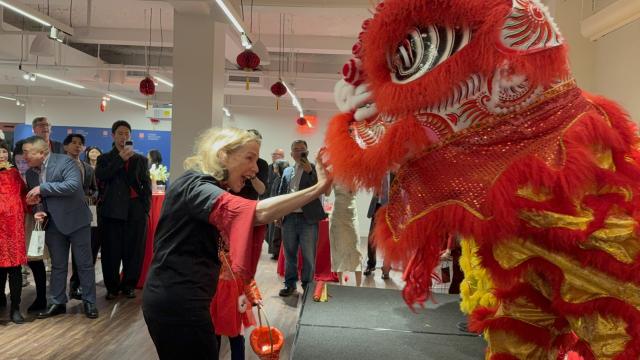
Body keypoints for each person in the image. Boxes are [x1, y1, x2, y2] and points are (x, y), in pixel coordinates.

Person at [142, 127, 331, 360]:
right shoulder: (196, 186)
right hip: (178, 303)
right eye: (249, 158)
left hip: (184, 298)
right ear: (223, 155)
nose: (254, 168)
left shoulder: (203, 185)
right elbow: (255, 213)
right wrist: (317, 188)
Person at [23, 136, 98, 319]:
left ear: (41, 152)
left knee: (84, 265)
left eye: (27, 152)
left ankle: (89, 301)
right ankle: (57, 302)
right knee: (58, 265)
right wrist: (38, 209)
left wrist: (43, 188)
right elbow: (38, 199)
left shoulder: (65, 162)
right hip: (53, 225)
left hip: (77, 221)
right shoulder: (31, 173)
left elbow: (73, 186)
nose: (24, 156)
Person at [96, 120, 151, 300]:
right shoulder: (104, 158)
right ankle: (112, 287)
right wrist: (120, 159)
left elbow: (146, 185)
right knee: (111, 251)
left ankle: (129, 285)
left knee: (134, 251)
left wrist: (145, 207)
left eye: (127, 133)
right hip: (112, 211)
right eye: (120, 133)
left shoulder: (141, 159)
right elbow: (102, 176)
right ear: (113, 136)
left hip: (135, 211)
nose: (123, 137)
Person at [277, 140, 327, 297]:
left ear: (307, 151)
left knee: (308, 254)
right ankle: (290, 285)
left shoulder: (314, 169)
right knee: (289, 254)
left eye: (302, 150)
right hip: (289, 217)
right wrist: (278, 213)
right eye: (296, 150)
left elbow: (321, 188)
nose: (299, 152)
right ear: (291, 154)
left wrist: (310, 172)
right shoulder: (286, 172)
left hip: (308, 219)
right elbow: (281, 194)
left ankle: (307, 285)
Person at [11, 140, 48, 313]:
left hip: (29, 219)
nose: (24, 160)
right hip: (9, 221)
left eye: (26, 155)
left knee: (35, 259)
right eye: (19, 158)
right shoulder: (8, 172)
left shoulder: (35, 172)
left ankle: (41, 297)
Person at [63, 134, 99, 301]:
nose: (77, 146)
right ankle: (57, 293)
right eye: (73, 143)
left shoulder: (88, 168)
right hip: (62, 214)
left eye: (80, 144)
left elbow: (95, 188)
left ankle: (76, 286)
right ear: (65, 147)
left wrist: (92, 196)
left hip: (84, 213)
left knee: (83, 254)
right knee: (61, 258)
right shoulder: (57, 165)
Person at [0, 140, 28, 323]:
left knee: (15, 270)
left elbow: (25, 198)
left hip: (13, 228)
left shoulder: (15, 174)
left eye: (3, 151)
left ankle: (15, 307)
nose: (1, 155)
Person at [327, 183, 362, 286]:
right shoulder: (333, 174)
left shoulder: (355, 174)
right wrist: (327, 178)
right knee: (338, 248)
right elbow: (327, 193)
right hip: (337, 214)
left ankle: (359, 286)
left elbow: (355, 190)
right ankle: (341, 284)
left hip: (351, 215)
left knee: (356, 250)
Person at [232, 129, 269, 200]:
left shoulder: (262, 164)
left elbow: (261, 191)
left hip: (249, 203)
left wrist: (253, 176)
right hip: (231, 201)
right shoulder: (235, 160)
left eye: (258, 143)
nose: (256, 168)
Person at [266, 159, 289, 259]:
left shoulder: (284, 180)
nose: (274, 169)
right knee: (272, 232)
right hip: (273, 208)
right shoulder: (277, 179)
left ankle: (277, 253)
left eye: (276, 167)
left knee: (277, 232)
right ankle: (274, 251)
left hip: (278, 209)